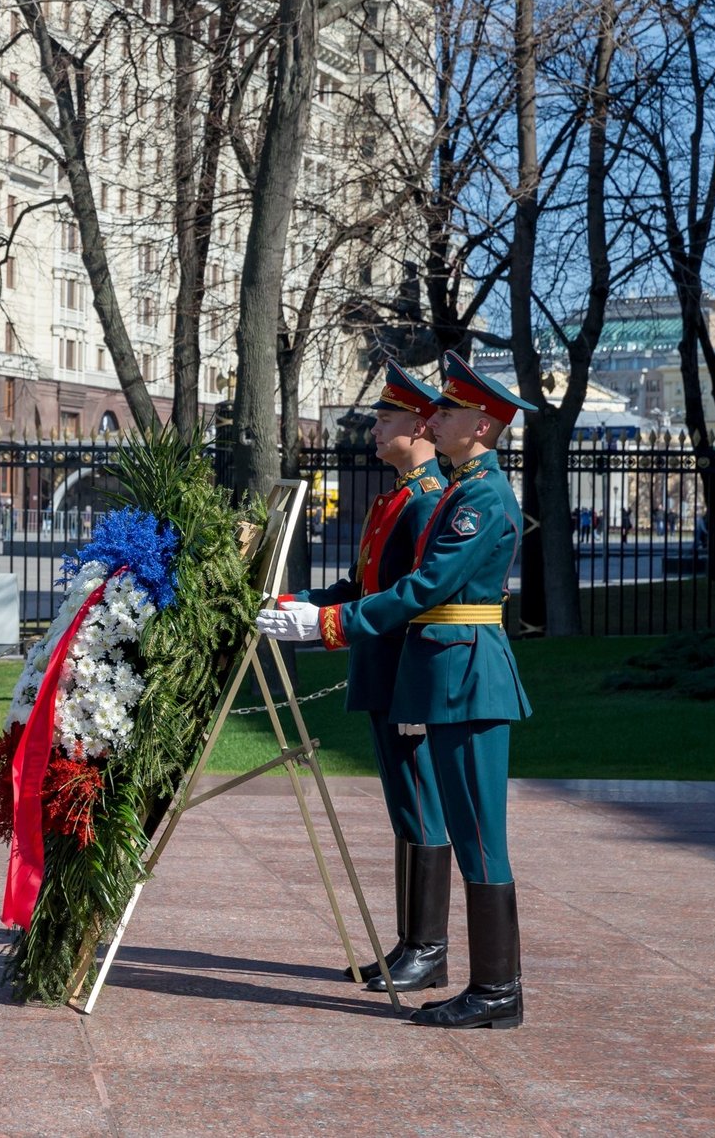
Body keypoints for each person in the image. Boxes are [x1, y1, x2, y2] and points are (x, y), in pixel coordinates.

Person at [259, 350, 534, 1030]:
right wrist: (316, 610)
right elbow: (393, 587)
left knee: (478, 838)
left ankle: (498, 991)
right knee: (469, 834)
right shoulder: (465, 491)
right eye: (435, 409)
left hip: (466, 676)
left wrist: (327, 623)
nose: (436, 418)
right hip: (448, 673)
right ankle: (486, 984)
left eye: (451, 410)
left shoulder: (481, 497)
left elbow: (425, 589)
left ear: (484, 424)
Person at [278, 361, 451, 993]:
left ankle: (428, 948)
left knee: (420, 807)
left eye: (385, 421)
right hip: (383, 670)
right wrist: (307, 605)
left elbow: (409, 596)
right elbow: (362, 587)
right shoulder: (397, 498)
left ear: (422, 425)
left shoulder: (428, 499)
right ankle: (413, 944)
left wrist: (327, 624)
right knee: (405, 809)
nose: (374, 431)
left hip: (407, 672)